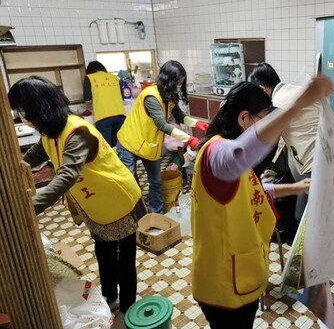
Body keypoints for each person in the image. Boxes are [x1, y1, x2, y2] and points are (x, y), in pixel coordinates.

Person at [191, 77, 333, 328]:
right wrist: (299, 105)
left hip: (238, 275)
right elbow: (238, 157)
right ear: (244, 118)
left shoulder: (229, 152)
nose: (269, 126)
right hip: (223, 286)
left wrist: (294, 187)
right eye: (264, 118)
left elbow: (251, 189)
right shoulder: (216, 154)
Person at [8, 76, 146, 314]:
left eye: (22, 110)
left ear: (37, 109)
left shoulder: (76, 131)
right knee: (104, 253)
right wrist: (10, 173)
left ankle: (128, 306)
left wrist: (26, 209)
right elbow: (30, 159)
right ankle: (110, 297)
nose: (22, 116)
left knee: (124, 257)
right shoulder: (51, 133)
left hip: (118, 200)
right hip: (96, 205)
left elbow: (66, 176)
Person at [116, 60, 208, 214]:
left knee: (156, 181)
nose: (180, 85)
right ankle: (132, 220)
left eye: (181, 83)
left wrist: (198, 123)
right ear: (169, 81)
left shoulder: (169, 95)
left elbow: (180, 116)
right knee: (129, 184)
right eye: (178, 82)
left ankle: (156, 216)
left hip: (149, 145)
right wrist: (189, 139)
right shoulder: (151, 96)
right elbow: (162, 124)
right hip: (129, 143)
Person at [248, 62, 320, 223]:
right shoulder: (295, 90)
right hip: (327, 158)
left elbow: (268, 145)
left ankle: (307, 247)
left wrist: (253, 173)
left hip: (315, 167)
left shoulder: (277, 104)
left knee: (304, 218)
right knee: (305, 214)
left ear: (262, 89)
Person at [83, 61, 126, 147]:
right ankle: (119, 160)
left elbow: (87, 100)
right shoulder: (115, 78)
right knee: (118, 146)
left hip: (103, 117)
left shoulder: (89, 78)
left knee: (107, 147)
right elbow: (122, 97)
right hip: (120, 115)